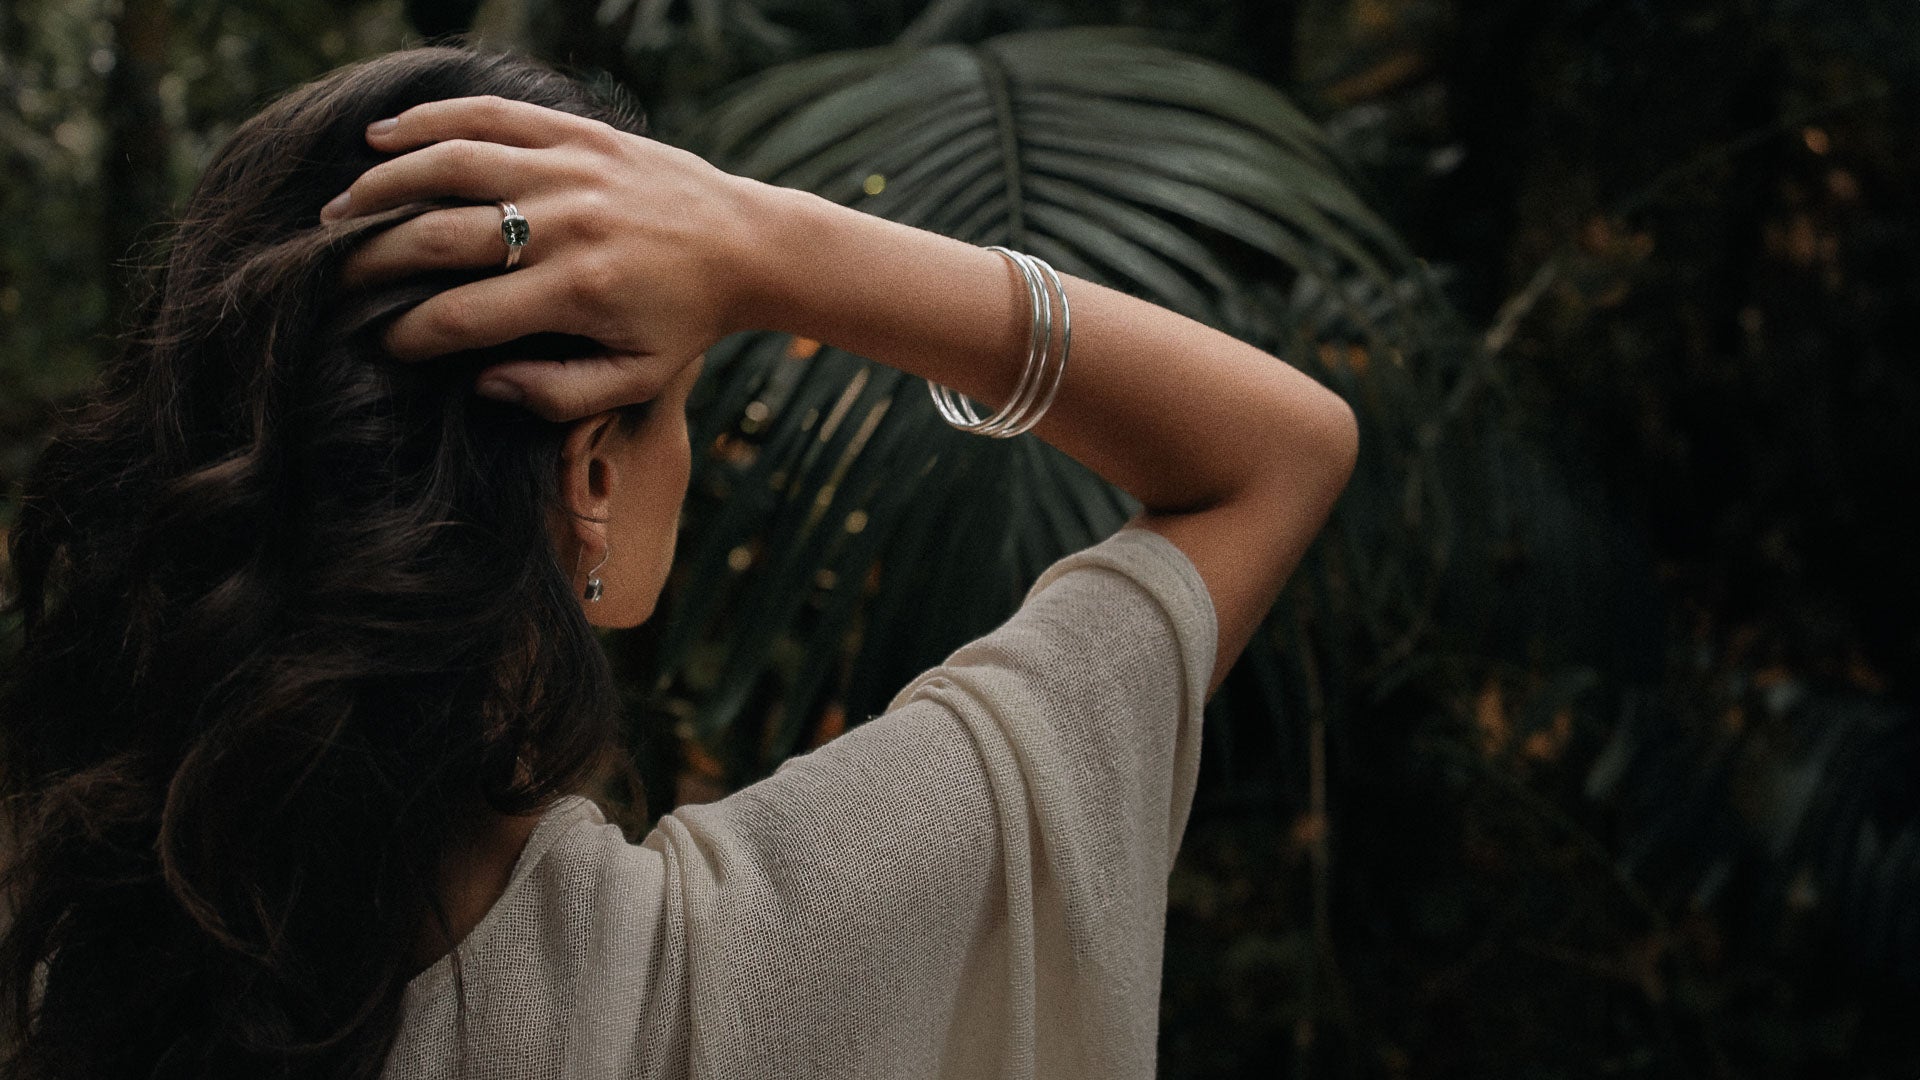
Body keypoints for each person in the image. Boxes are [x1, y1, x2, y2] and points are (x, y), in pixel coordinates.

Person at [0, 44, 1356, 1080]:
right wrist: (761, 243)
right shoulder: (753, 971)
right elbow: (1276, 452)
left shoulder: (91, 959)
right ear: (591, 477)